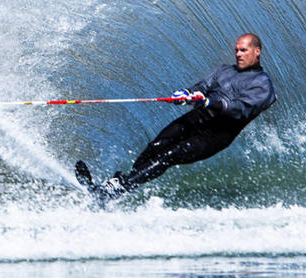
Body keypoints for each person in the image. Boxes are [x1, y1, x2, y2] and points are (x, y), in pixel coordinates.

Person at [75, 33, 276, 201]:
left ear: (257, 52)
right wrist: (185, 94)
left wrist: (209, 102)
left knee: (169, 156)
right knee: (156, 146)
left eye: (244, 50)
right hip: (198, 117)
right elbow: (202, 87)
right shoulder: (224, 71)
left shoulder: (262, 84)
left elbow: (240, 109)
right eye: (237, 50)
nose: (238, 54)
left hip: (217, 134)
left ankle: (119, 188)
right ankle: (121, 184)